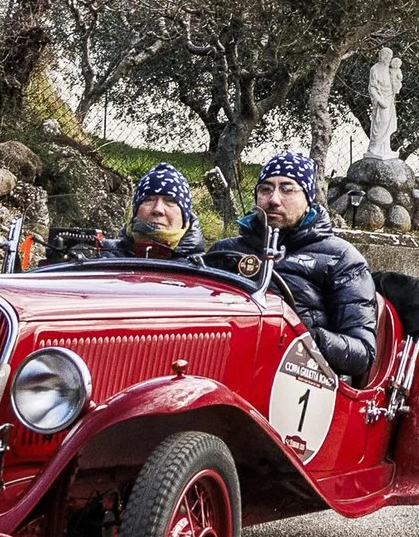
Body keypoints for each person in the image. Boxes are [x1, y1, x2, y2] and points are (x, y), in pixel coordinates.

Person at [218, 152, 377, 383]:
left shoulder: (340, 257)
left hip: (300, 381)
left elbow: (361, 353)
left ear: (308, 199)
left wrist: (301, 336)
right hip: (227, 368)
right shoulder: (226, 252)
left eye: (287, 189)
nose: (273, 199)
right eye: (265, 189)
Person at [108, 163, 206, 260]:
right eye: (148, 200)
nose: (158, 209)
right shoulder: (107, 260)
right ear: (135, 212)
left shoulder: (207, 268)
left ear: (185, 217)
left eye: (170, 201)